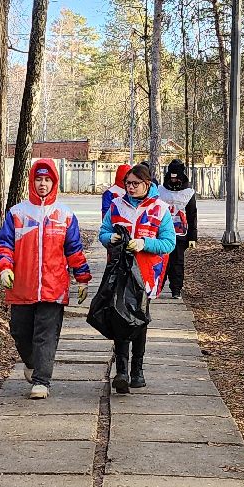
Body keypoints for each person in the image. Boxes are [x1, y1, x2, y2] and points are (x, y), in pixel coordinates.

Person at [0, 159, 92, 400]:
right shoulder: (18, 213)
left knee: (46, 334)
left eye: (47, 179)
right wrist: (4, 268)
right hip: (22, 287)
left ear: (54, 182)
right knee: (19, 331)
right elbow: (4, 245)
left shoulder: (65, 215)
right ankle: (31, 363)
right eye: (38, 179)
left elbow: (74, 250)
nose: (42, 184)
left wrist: (82, 278)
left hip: (54, 286)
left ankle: (41, 381)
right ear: (31, 181)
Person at [98, 163, 175, 393]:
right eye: (127, 183)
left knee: (140, 319)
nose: (130, 188)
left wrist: (144, 244)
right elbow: (102, 232)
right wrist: (110, 237)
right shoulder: (116, 205)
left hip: (146, 273)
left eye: (135, 184)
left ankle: (137, 371)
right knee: (120, 318)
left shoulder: (160, 209)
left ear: (147, 184)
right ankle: (121, 370)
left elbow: (169, 243)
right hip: (120, 272)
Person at [159, 159, 199, 297]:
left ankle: (176, 290)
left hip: (180, 233)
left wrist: (193, 237)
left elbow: (192, 215)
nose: (174, 181)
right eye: (172, 177)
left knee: (177, 263)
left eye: (176, 178)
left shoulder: (188, 192)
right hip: (162, 233)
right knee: (161, 260)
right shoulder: (160, 190)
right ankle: (157, 288)